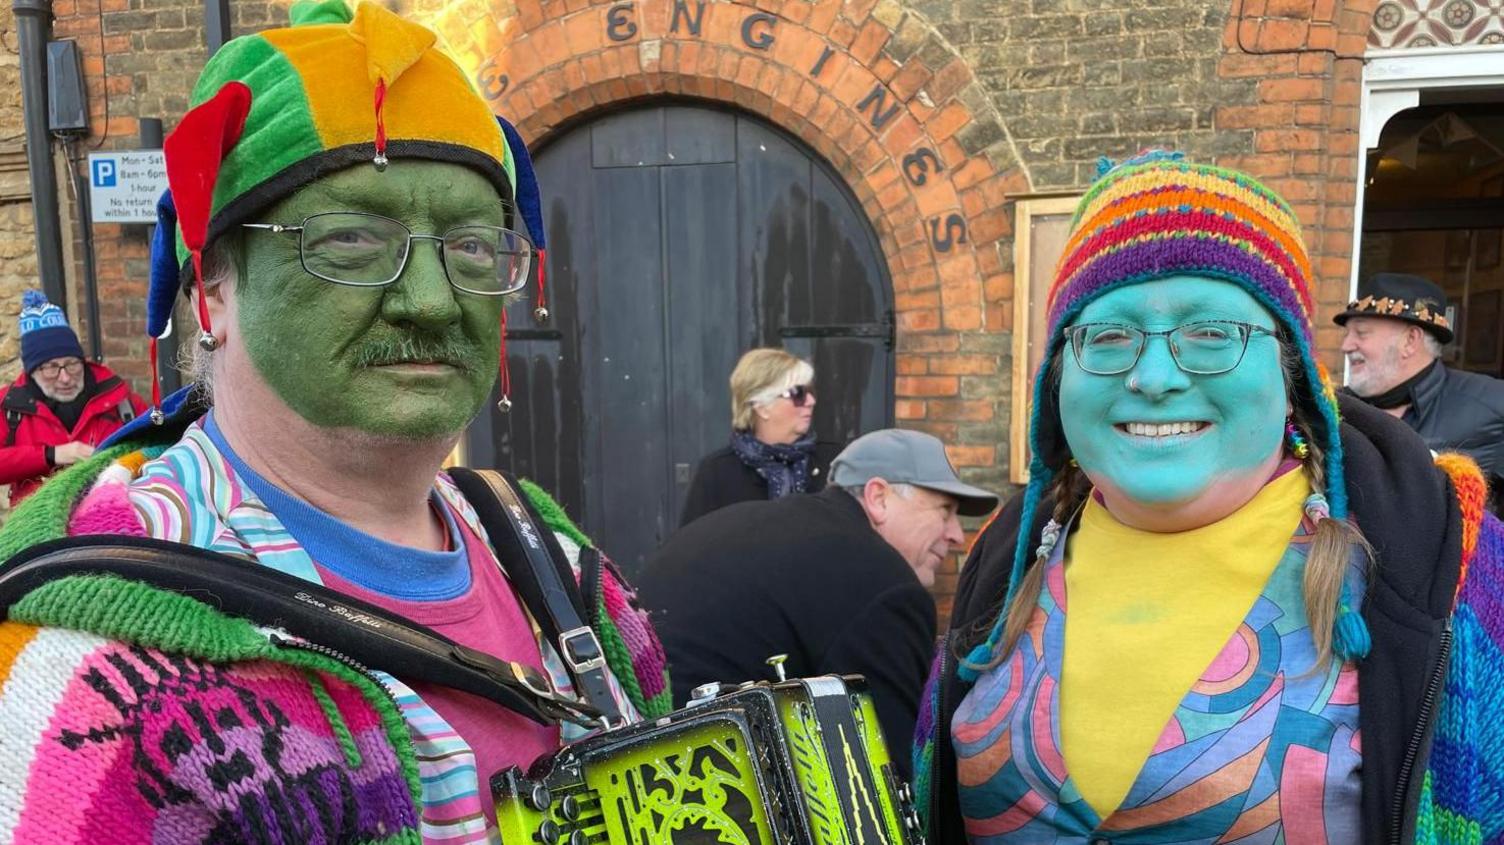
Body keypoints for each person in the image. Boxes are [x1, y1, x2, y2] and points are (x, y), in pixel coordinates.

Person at [0, 3, 669, 841]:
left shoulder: (563, 567)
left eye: (469, 247)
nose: (431, 300)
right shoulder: (89, 671)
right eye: (350, 238)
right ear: (212, 292)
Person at [911, 152, 1504, 843]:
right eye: (1107, 336)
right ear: (1059, 374)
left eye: (1211, 334)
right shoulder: (1011, 552)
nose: (1154, 375)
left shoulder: (1442, 554)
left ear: (1292, 374)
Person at [642, 428, 996, 773]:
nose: (956, 537)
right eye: (944, 510)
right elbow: (890, 772)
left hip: (632, 763)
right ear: (879, 498)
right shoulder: (880, 581)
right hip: (705, 785)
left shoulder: (756, 525)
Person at [1335, 272, 1504, 487]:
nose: (1346, 346)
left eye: (1361, 332)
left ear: (1410, 340)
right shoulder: (1334, 407)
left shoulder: (1490, 404)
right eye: (1346, 334)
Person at [0, 290, 147, 506]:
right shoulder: (9, 406)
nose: (65, 377)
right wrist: (50, 455)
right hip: (36, 526)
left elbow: (156, 447)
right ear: (31, 371)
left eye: (72, 364)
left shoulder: (120, 399)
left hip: (112, 519)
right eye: (50, 368)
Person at [679, 347, 844, 526]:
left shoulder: (834, 461)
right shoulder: (717, 472)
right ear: (762, 407)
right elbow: (694, 544)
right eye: (798, 393)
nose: (811, 401)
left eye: (810, 391)